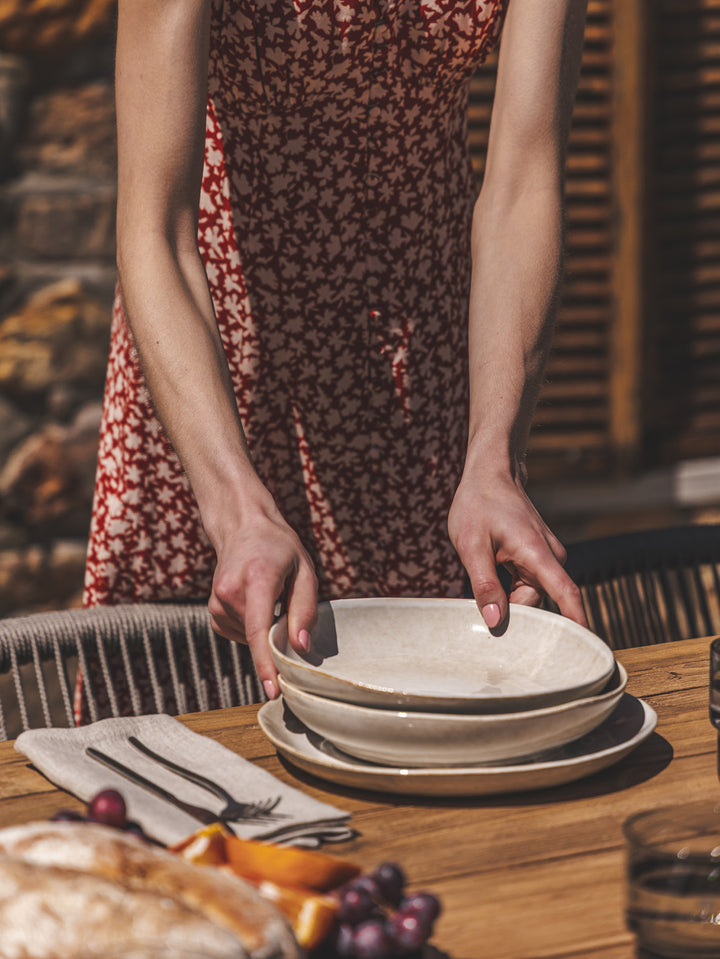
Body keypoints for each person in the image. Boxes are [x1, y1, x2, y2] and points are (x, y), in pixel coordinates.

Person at [83, 0, 589, 705]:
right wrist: (234, 507)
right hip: (216, 370)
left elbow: (523, 186)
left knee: (421, 719)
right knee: (194, 724)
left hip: (422, 373)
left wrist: (493, 454)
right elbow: (155, 229)